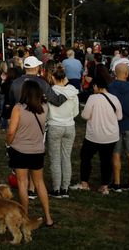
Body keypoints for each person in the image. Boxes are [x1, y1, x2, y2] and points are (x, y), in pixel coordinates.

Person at [6, 81, 54, 227]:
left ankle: (24, 216)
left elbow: (11, 131)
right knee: (40, 183)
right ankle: (48, 217)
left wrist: (9, 143)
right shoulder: (44, 108)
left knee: (23, 183)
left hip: (20, 150)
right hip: (37, 150)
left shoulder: (18, 109)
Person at [71, 74, 122, 194]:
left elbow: (85, 115)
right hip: (111, 136)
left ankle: (84, 183)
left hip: (94, 136)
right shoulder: (114, 98)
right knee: (106, 160)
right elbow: (119, 117)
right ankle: (105, 186)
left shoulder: (93, 98)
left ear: (96, 86)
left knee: (85, 158)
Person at [46, 64, 79, 198]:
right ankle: (65, 187)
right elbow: (76, 111)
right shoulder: (73, 92)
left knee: (55, 158)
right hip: (69, 125)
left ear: (53, 77)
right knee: (66, 157)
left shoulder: (50, 92)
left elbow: (47, 111)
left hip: (54, 125)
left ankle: (56, 189)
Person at [108, 63, 129, 191]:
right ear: (127, 74)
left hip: (115, 125)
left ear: (115, 73)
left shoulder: (110, 88)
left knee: (116, 154)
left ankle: (116, 182)